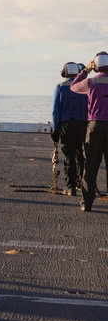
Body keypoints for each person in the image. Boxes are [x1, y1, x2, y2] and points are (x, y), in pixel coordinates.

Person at [70, 51, 108, 212]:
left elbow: (73, 86)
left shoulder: (91, 82)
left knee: (91, 165)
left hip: (94, 126)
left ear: (96, 65)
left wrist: (85, 70)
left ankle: (87, 202)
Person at [53, 62, 87, 195]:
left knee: (69, 155)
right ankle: (81, 183)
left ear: (64, 73)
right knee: (81, 155)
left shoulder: (60, 87)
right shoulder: (84, 86)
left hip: (66, 125)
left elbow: (56, 111)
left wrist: (55, 129)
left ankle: (70, 187)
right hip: (82, 125)